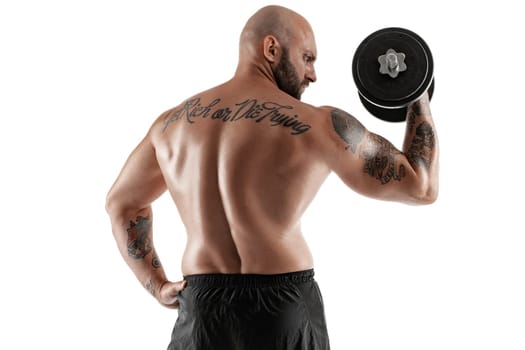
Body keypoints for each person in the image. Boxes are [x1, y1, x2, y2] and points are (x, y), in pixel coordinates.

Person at [105, 5, 439, 350]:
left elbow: (122, 203)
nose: (313, 74)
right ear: (271, 48)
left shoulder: (171, 125)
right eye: (307, 57)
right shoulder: (318, 124)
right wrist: (417, 92)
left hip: (201, 309)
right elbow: (421, 186)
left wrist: (157, 285)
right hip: (283, 307)